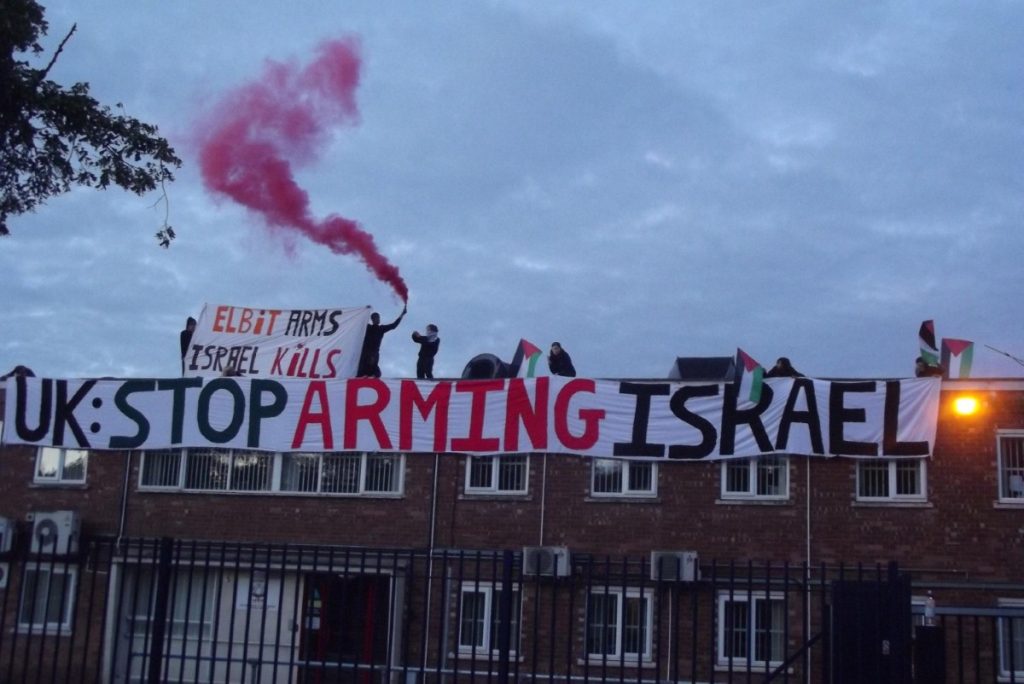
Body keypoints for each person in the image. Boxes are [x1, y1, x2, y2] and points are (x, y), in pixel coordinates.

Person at [358, 305, 406, 377]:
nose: (378, 319)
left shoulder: (381, 328)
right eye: (376, 318)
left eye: (378, 318)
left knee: (374, 370)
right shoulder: (368, 327)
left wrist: (402, 315)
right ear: (373, 319)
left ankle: (371, 376)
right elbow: (360, 322)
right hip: (366, 353)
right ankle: (363, 376)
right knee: (364, 369)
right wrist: (365, 310)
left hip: (374, 353)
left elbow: (394, 325)